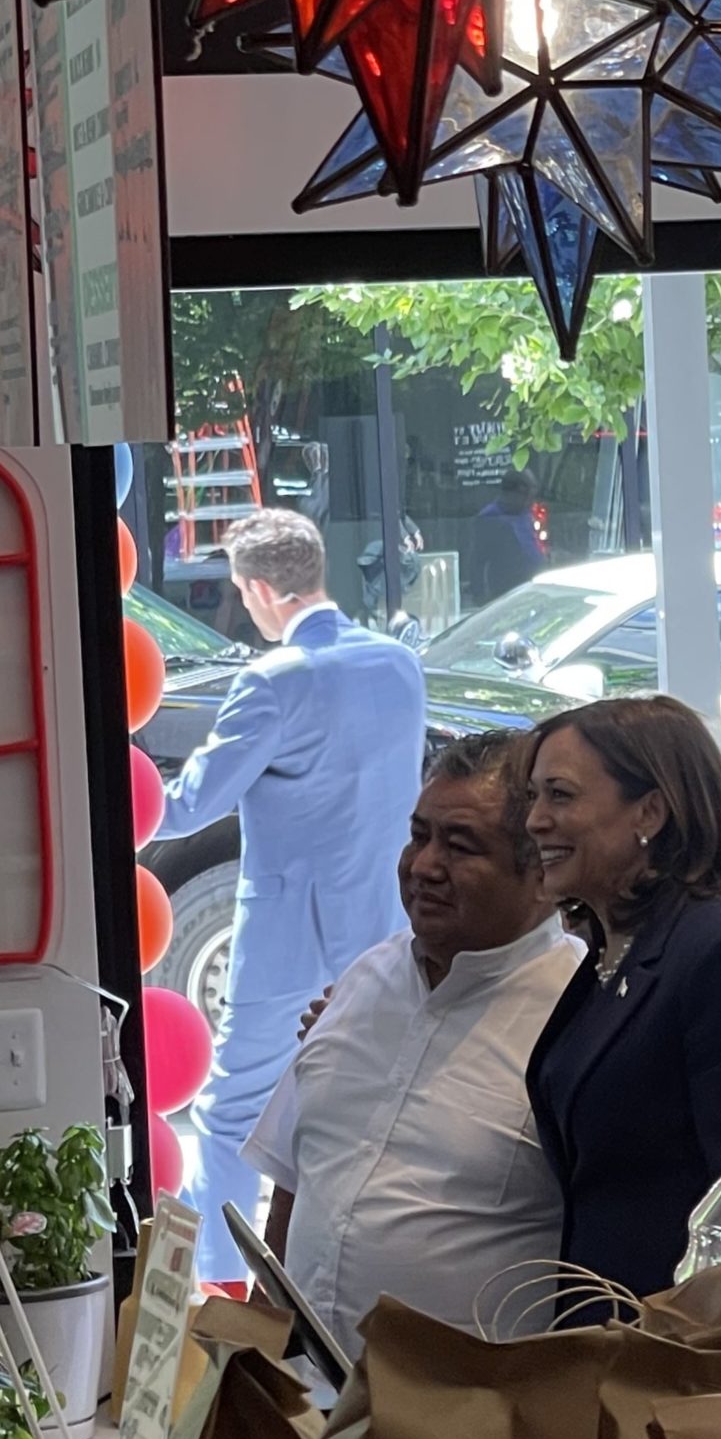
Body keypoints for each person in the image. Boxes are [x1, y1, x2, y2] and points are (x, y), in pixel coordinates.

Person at [243, 733, 583, 1355]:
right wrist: (247, 1369)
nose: (424, 865)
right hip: (310, 1407)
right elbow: (294, 1181)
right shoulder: (359, 983)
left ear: (540, 874)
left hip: (474, 1426)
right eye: (418, 835)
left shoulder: (579, 1015)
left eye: (460, 846)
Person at [154, 508, 426, 1284]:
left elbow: (194, 804)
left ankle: (221, 1283)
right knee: (370, 1110)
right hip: (386, 923)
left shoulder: (272, 682)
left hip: (288, 936)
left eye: (242, 593)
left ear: (261, 589)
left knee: (234, 1117)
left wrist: (119, 800)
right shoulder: (398, 664)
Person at [523, 697, 721, 1297]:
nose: (535, 821)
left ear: (649, 810)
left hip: (676, 1353)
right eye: (534, 797)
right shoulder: (614, 946)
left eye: (560, 795)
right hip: (605, 1335)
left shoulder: (720, 952)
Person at [473, 468, 544, 602]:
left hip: (534, 587)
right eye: (529, 497)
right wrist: (479, 596)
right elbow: (478, 560)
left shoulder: (525, 513)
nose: (531, 502)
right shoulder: (490, 517)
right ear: (518, 492)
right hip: (507, 591)